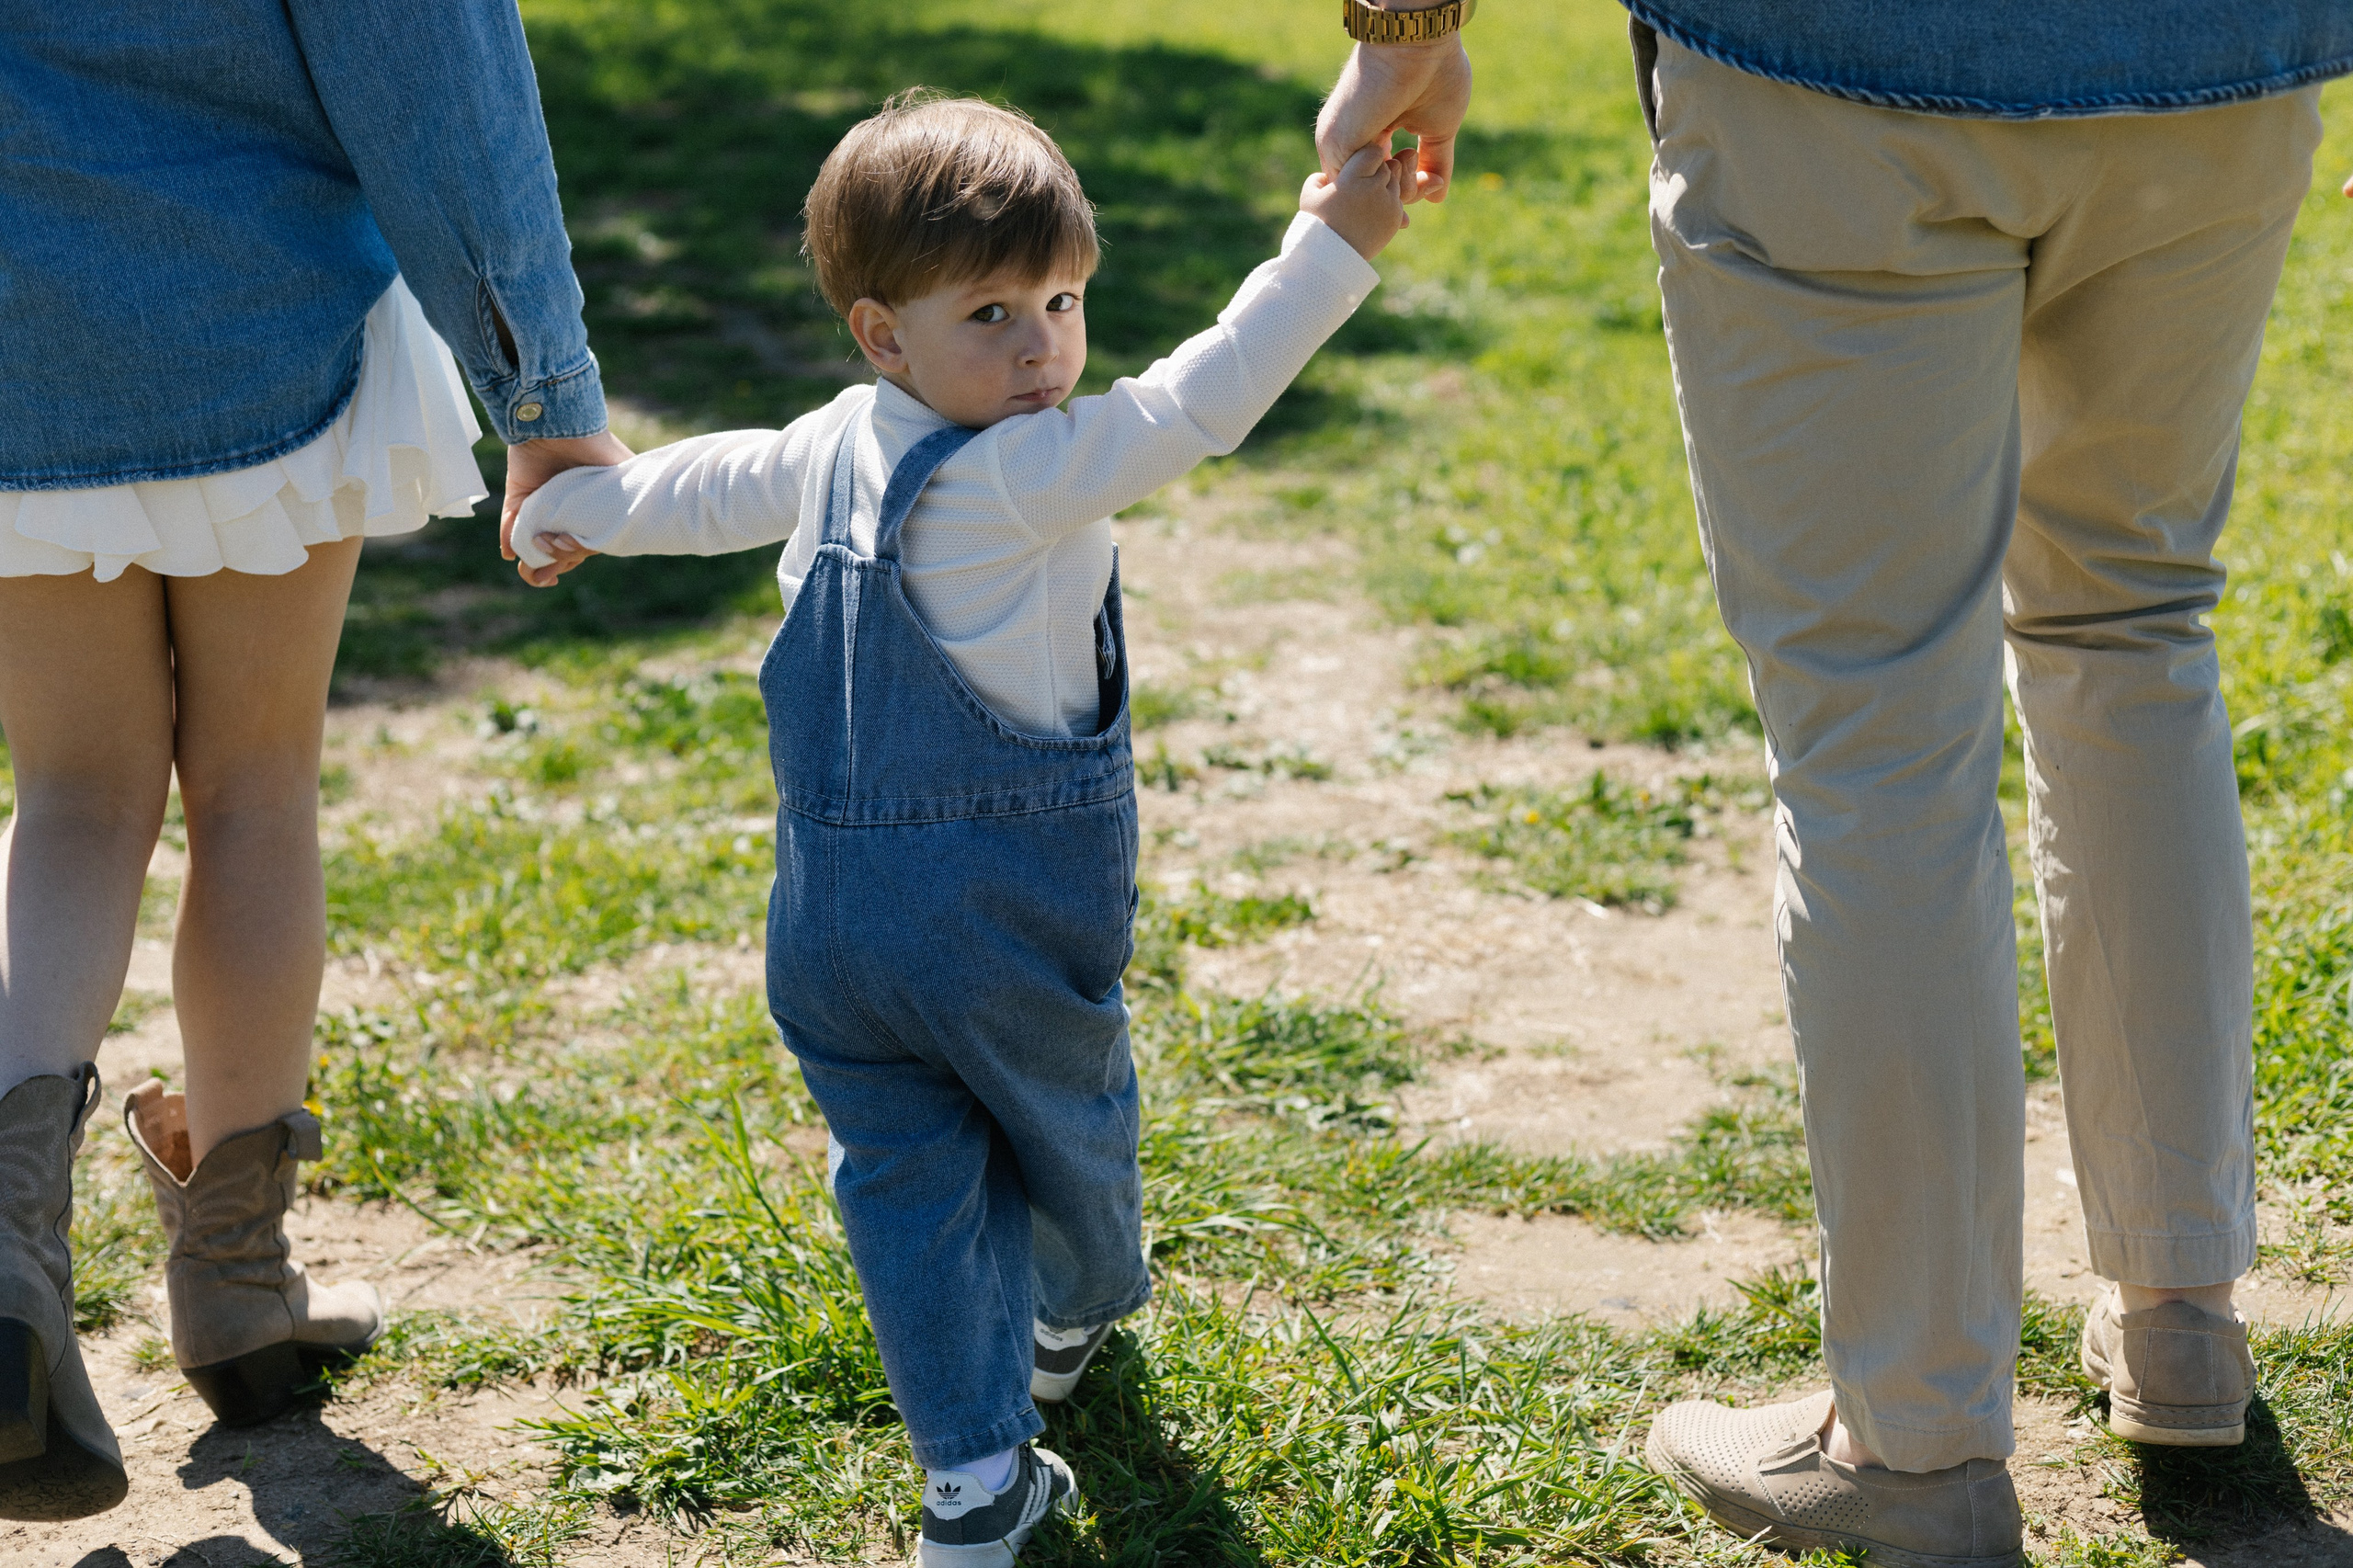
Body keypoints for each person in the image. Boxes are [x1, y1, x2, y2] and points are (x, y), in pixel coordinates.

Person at [1316, 2, 2353, 1564]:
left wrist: (1405, 36)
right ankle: (2181, 1318)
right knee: (2132, 623)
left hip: (1833, 65)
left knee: (1876, 729)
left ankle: (1918, 1440)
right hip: (2211, 62)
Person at [509, 92, 1404, 1565]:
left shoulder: (841, 441)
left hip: (836, 932)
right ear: (883, 333)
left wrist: (580, 508)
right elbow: (1202, 396)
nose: (1043, 345)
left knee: (908, 1185)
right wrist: (1332, 243)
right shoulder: (1027, 477)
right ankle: (1070, 1312)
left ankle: (972, 1484)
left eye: (1061, 299)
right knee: (1068, 1124)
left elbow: (708, 482)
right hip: (1005, 920)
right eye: (989, 311)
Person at [0, 0, 625, 1520]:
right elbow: (435, 81)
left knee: (74, 797)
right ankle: (237, 1287)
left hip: (15, 337)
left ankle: (1, 1242)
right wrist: (543, 392)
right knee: (253, 782)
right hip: (255, 322)